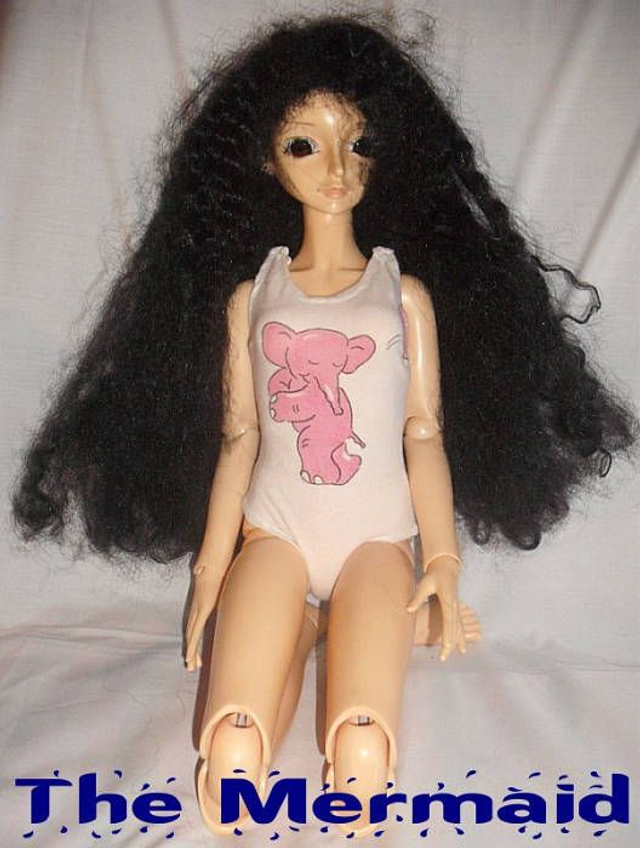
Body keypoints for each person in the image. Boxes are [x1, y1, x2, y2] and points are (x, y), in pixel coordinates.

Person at [12, 13, 634, 837]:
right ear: (266, 160)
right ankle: (320, 627)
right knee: (233, 738)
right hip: (275, 534)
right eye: (304, 144)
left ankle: (358, 626)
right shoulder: (254, 296)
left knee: (364, 743)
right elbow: (240, 437)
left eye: (357, 142)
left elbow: (422, 433)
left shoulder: (402, 295)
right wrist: (209, 572)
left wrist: (441, 561)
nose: (335, 168)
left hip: (378, 541)